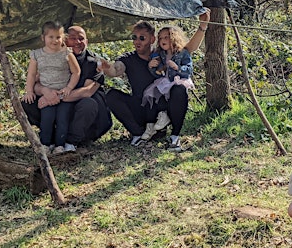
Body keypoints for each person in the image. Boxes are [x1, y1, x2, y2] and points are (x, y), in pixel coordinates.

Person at [100, 9, 210, 151]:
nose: (137, 42)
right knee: (111, 95)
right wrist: (106, 67)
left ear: (152, 39)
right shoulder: (128, 58)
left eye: (142, 38)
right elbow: (116, 70)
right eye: (134, 37)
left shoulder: (163, 54)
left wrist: (202, 26)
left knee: (179, 89)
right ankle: (138, 133)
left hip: (162, 109)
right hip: (141, 107)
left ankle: (173, 136)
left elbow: (188, 48)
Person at [21, 25, 113, 151]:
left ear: (86, 42)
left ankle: (71, 141)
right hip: (60, 103)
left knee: (89, 103)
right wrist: (45, 91)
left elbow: (87, 92)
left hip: (87, 117)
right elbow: (36, 83)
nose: (77, 42)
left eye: (81, 39)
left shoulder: (94, 62)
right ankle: (51, 139)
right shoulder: (51, 56)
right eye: (73, 38)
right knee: (28, 101)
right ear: (64, 40)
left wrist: (54, 97)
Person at [21, 21, 81, 154]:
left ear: (63, 38)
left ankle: (60, 145)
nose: (55, 40)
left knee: (62, 118)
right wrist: (29, 91)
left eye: (58, 37)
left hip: (63, 94)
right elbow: (31, 74)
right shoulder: (36, 54)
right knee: (47, 118)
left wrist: (69, 88)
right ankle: (46, 144)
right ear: (43, 38)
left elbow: (76, 72)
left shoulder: (66, 53)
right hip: (47, 93)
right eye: (51, 37)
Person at [141, 25, 195, 142]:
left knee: (178, 90)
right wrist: (151, 67)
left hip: (178, 80)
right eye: (160, 38)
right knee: (152, 93)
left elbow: (189, 70)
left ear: (174, 38)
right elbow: (158, 73)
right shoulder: (161, 54)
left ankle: (174, 132)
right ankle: (161, 117)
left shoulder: (183, 53)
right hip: (165, 81)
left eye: (166, 37)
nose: (163, 41)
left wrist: (178, 68)